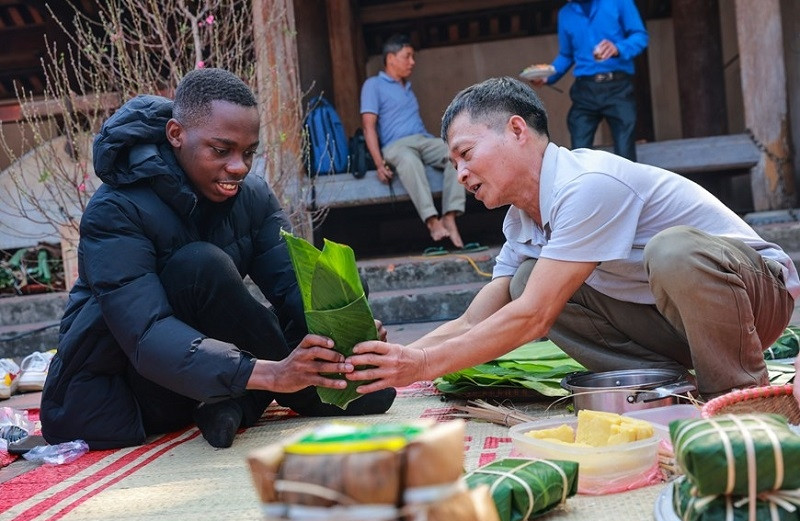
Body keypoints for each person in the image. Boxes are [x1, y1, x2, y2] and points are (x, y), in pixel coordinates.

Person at [345, 76, 800, 402]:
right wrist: (398, 358)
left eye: (466, 153)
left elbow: (534, 317)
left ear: (517, 130)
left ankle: (738, 397)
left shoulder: (586, 184)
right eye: (454, 163)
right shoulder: (520, 222)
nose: (461, 173)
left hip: (755, 300)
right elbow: (473, 321)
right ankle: (662, 386)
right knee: (525, 281)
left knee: (671, 251)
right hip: (674, 323)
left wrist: (426, 367)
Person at [40, 68, 395, 450]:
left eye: (249, 152)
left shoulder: (252, 197)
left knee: (334, 290)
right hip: (123, 389)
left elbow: (294, 285)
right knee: (200, 266)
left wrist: (350, 329)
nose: (239, 166)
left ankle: (237, 402)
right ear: (176, 134)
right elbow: (146, 335)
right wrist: (272, 374)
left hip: (205, 371)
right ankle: (277, 392)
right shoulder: (116, 209)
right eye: (222, 151)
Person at [360, 33, 466, 248]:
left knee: (456, 152)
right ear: (391, 58)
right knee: (409, 161)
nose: (412, 62)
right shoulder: (373, 85)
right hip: (396, 146)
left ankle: (450, 216)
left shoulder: (407, 87)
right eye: (407, 56)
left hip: (422, 141)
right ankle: (432, 221)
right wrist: (379, 164)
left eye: (412, 57)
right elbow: (368, 127)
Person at [530, 0, 648, 161]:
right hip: (585, 88)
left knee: (624, 148)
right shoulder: (565, 13)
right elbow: (566, 55)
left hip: (618, 86)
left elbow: (640, 36)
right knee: (580, 149)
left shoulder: (620, 2)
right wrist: (548, 76)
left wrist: (618, 48)